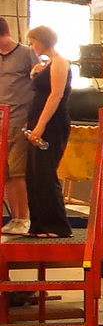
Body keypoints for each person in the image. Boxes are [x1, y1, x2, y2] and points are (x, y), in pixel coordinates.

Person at [22, 26, 71, 239]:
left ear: (42, 41)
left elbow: (56, 95)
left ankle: (57, 226)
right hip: (38, 120)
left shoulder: (60, 61)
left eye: (33, 42)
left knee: (45, 172)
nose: (32, 47)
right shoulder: (47, 65)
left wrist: (41, 126)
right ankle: (40, 225)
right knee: (33, 174)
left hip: (51, 123)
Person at [0, 19, 36, 235]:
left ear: (7, 33)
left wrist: (32, 119)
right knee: (4, 172)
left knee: (16, 171)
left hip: (19, 118)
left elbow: (39, 85)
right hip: (0, 120)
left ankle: (22, 218)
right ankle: (13, 218)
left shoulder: (25, 54)